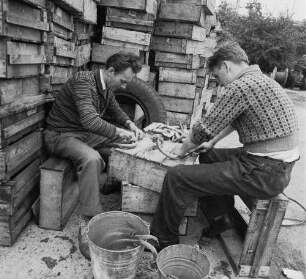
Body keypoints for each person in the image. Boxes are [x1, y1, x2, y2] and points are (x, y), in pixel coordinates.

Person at [151, 42, 299, 251]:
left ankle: (162, 241)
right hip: (276, 166)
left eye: (218, 76)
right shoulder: (261, 80)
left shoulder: (240, 86)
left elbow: (203, 129)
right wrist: (212, 142)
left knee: (176, 178)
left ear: (226, 66)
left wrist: (181, 150)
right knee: (209, 155)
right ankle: (221, 216)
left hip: (264, 171)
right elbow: (231, 119)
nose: (219, 82)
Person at [44, 52, 144, 259]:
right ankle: (89, 219)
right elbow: (90, 121)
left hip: (83, 134)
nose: (124, 87)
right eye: (122, 81)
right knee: (92, 159)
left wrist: (130, 125)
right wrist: (119, 131)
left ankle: (115, 180)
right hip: (61, 134)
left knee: (129, 143)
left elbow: (116, 111)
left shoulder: (106, 87)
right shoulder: (83, 82)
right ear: (109, 71)